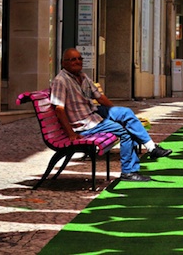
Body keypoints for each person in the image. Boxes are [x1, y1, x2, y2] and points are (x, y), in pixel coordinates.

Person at [50, 48, 172, 182]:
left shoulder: (83, 77)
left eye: (80, 58)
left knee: (125, 113)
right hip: (84, 122)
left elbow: (100, 97)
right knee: (124, 132)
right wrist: (71, 134)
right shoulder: (60, 81)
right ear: (63, 63)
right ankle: (128, 172)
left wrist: (115, 113)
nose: (77, 62)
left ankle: (151, 147)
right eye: (73, 59)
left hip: (92, 112)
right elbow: (59, 109)